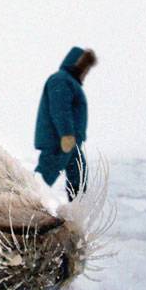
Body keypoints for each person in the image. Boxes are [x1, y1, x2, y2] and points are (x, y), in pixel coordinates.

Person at [34, 47, 97, 200]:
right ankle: (22, 205)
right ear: (79, 65)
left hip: (70, 143)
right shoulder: (61, 80)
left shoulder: (69, 82)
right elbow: (60, 109)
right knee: (44, 177)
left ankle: (77, 211)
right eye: (86, 69)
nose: (86, 73)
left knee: (79, 175)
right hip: (59, 141)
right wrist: (66, 134)